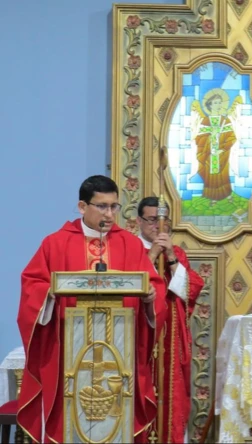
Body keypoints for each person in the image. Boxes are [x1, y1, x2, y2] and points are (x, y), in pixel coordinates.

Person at [16, 175, 167, 443]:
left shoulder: (129, 244)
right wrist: (49, 294)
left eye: (114, 207)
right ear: (82, 207)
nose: (109, 214)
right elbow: (32, 285)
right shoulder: (56, 243)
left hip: (121, 350)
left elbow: (152, 286)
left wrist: (149, 298)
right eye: (102, 206)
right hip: (70, 352)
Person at [136, 197, 204, 443]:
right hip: (139, 338)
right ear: (139, 221)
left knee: (171, 400)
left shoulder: (177, 254)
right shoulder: (129, 249)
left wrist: (171, 257)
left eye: (163, 221)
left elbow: (189, 291)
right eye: (153, 220)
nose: (158, 226)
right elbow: (128, 288)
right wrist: (152, 254)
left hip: (170, 341)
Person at [193, 88, 237, 202]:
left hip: (222, 153)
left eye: (220, 102)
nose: (218, 105)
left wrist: (222, 149)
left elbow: (232, 137)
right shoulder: (206, 121)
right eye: (215, 103)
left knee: (223, 175)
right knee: (211, 174)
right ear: (210, 105)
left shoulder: (225, 120)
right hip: (209, 152)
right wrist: (210, 138)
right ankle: (212, 197)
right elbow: (200, 138)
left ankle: (227, 195)